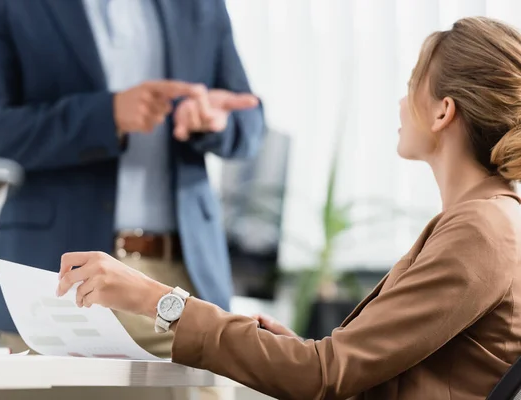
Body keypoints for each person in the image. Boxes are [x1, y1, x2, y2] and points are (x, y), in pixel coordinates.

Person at [57, 16, 521, 400]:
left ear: (443, 112)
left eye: (411, 84)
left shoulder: (481, 229)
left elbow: (322, 376)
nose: (401, 101)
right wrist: (293, 351)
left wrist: (155, 300)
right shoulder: (484, 219)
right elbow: (352, 371)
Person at [0, 0, 262, 359]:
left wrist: (216, 121)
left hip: (185, 283)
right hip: (58, 283)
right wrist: (106, 115)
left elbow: (248, 120)